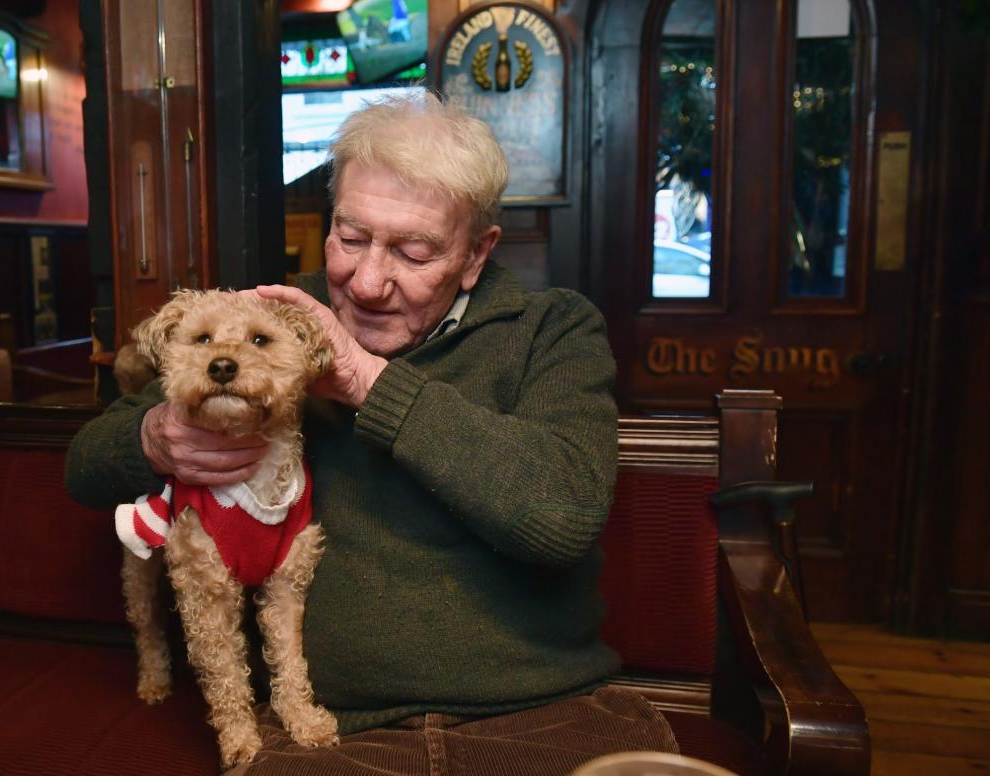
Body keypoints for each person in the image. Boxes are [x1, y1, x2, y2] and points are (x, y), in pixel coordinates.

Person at [65, 92, 677, 774]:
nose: (366, 281)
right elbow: (84, 467)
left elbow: (561, 516)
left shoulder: (551, 330)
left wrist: (367, 382)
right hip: (327, 729)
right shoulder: (276, 323)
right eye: (350, 238)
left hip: (538, 712)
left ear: (476, 253)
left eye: (412, 252)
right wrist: (154, 437)